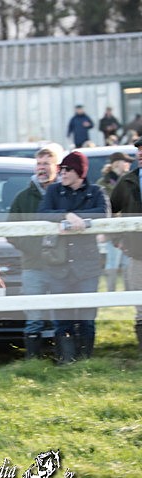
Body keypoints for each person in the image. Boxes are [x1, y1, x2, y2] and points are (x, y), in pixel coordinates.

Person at [39, 151, 110, 363]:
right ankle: (66, 361)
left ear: (80, 172)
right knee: (62, 319)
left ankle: (85, 361)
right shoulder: (53, 190)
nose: (62, 173)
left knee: (87, 318)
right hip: (59, 266)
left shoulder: (96, 191)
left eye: (67, 169)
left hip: (87, 266)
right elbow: (41, 212)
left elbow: (103, 212)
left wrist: (80, 220)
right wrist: (66, 216)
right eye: (61, 169)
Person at [7, 147, 61, 358]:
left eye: (46, 164)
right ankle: (33, 359)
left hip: (61, 265)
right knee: (34, 315)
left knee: (60, 314)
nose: (42, 168)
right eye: (39, 164)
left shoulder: (64, 194)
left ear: (56, 167)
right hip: (32, 264)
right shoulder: (23, 197)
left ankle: (63, 357)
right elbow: (10, 231)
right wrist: (34, 248)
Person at [109, 138, 142, 351]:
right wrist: (117, 238)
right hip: (138, 254)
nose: (140, 153)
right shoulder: (127, 181)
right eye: (139, 150)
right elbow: (111, 209)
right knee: (140, 305)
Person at [97, 152, 134, 291]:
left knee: (127, 262)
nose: (128, 164)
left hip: (128, 228)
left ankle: (128, 293)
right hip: (112, 229)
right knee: (113, 262)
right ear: (117, 163)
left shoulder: (130, 180)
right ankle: (110, 293)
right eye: (126, 161)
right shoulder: (103, 183)